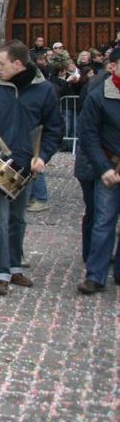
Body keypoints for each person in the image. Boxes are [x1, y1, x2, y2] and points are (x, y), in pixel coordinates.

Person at [0, 40, 62, 296]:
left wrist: (43, 156)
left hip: (26, 164)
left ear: (18, 64)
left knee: (18, 219)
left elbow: (54, 129)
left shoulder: (44, 90)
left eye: (1, 63)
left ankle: (12, 265)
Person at [76, 47, 120, 293]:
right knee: (103, 222)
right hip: (109, 168)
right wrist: (103, 168)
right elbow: (88, 135)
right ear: (113, 66)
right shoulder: (99, 95)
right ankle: (95, 275)